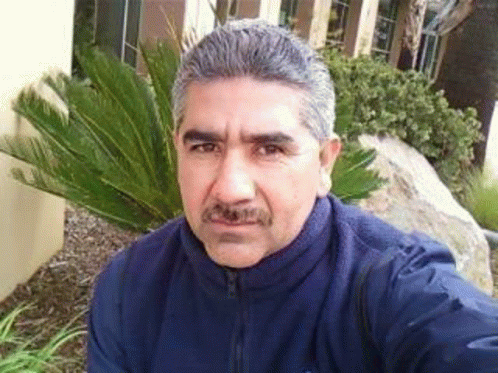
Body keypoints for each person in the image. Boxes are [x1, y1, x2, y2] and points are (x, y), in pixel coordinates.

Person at [87, 19, 498, 372]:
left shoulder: (387, 285)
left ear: (324, 163)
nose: (231, 187)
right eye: (205, 147)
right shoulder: (129, 289)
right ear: (178, 148)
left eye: (269, 149)